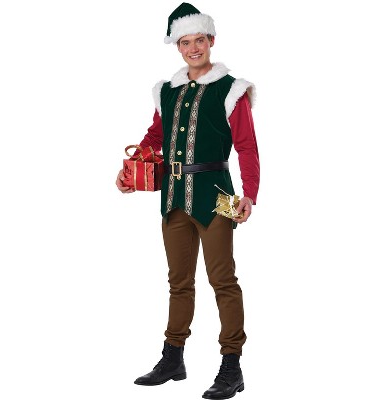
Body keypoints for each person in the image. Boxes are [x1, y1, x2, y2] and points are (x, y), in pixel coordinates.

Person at [116, 3, 260, 399]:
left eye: (199, 40)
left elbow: (247, 147)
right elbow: (154, 137)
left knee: (223, 280)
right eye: (185, 42)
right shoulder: (167, 91)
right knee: (178, 282)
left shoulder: (231, 89)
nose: (193, 48)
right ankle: (173, 357)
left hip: (219, 196)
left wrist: (249, 194)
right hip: (173, 196)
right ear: (177, 46)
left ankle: (231, 365)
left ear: (211, 41)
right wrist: (131, 171)